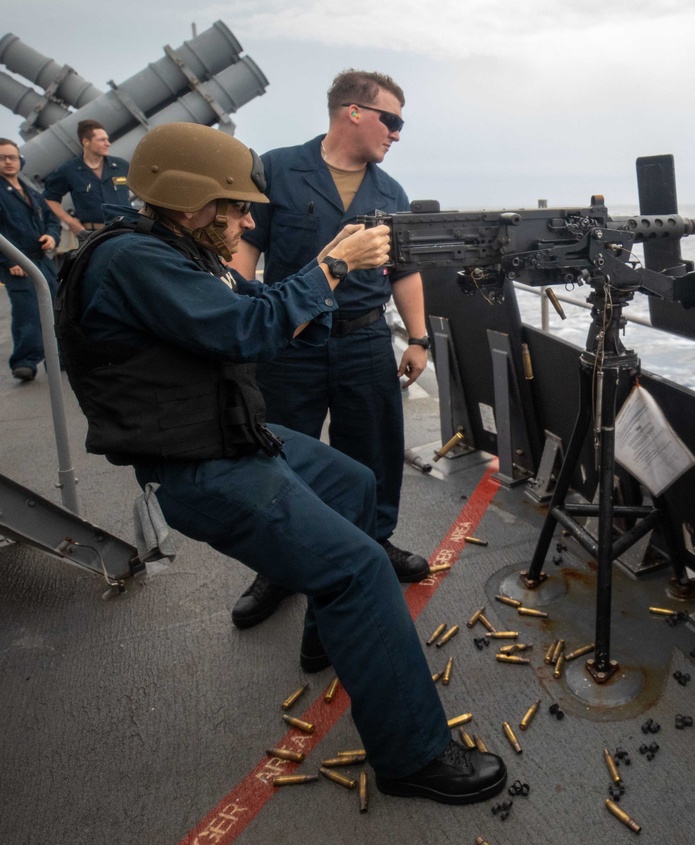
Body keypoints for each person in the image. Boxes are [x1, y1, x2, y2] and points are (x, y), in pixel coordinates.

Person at [55, 121, 506, 805]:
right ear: (185, 198)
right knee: (361, 567)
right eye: (233, 205)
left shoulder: (172, 251)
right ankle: (413, 756)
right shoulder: (135, 262)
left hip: (232, 436)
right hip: (201, 465)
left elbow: (253, 302)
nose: (243, 217)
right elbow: (247, 330)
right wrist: (333, 266)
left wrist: (323, 265)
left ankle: (329, 637)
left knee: (353, 483)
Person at [226, 69, 431, 631]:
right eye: (392, 120)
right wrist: (239, 323)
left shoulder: (390, 193)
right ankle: (280, 565)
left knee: (374, 450)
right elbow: (246, 248)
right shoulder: (277, 169)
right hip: (292, 337)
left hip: (365, 338)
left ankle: (373, 541)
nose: (396, 134)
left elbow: (405, 271)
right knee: (281, 451)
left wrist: (417, 338)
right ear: (354, 112)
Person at [0, 137, 60, 381]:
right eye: (2, 158)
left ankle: (58, 357)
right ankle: (25, 361)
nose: (8, 162)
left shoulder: (30, 192)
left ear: (20, 160)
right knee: (27, 313)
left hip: (42, 260)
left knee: (57, 307)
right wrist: (8, 262)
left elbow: (51, 219)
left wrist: (52, 236)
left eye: (12, 157)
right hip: (17, 264)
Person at [44, 119, 130, 235]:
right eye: (101, 140)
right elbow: (49, 199)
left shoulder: (122, 166)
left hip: (127, 231)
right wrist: (71, 222)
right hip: (94, 236)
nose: (107, 143)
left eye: (107, 139)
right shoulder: (69, 170)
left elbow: (145, 191)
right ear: (86, 142)